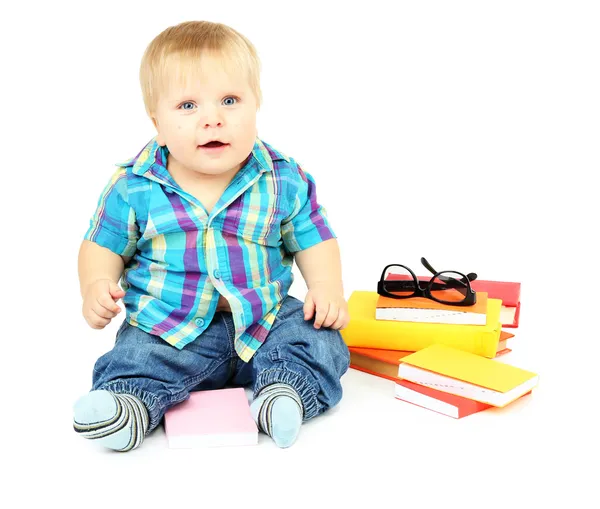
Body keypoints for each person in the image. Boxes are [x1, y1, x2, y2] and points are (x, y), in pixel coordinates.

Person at [73, 20, 350, 452]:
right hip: (168, 326)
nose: (213, 119)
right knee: (137, 357)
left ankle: (285, 394)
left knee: (317, 336)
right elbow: (102, 244)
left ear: (256, 105)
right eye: (187, 106)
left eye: (230, 100)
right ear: (157, 123)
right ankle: (126, 406)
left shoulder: (281, 178)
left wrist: (327, 287)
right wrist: (95, 284)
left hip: (265, 318)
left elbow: (313, 236)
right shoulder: (135, 186)